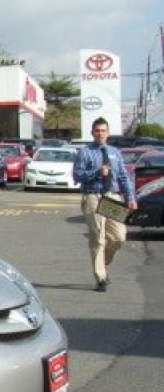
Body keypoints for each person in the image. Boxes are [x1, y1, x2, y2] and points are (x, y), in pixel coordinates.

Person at [72, 117, 138, 291]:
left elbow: (123, 177)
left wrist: (131, 197)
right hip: (93, 196)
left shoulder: (115, 152)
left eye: (103, 130)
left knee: (118, 237)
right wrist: (96, 172)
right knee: (98, 239)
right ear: (92, 132)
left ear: (108, 132)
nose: (100, 133)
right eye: (97, 130)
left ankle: (103, 261)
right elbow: (77, 176)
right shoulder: (84, 152)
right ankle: (100, 278)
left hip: (111, 197)